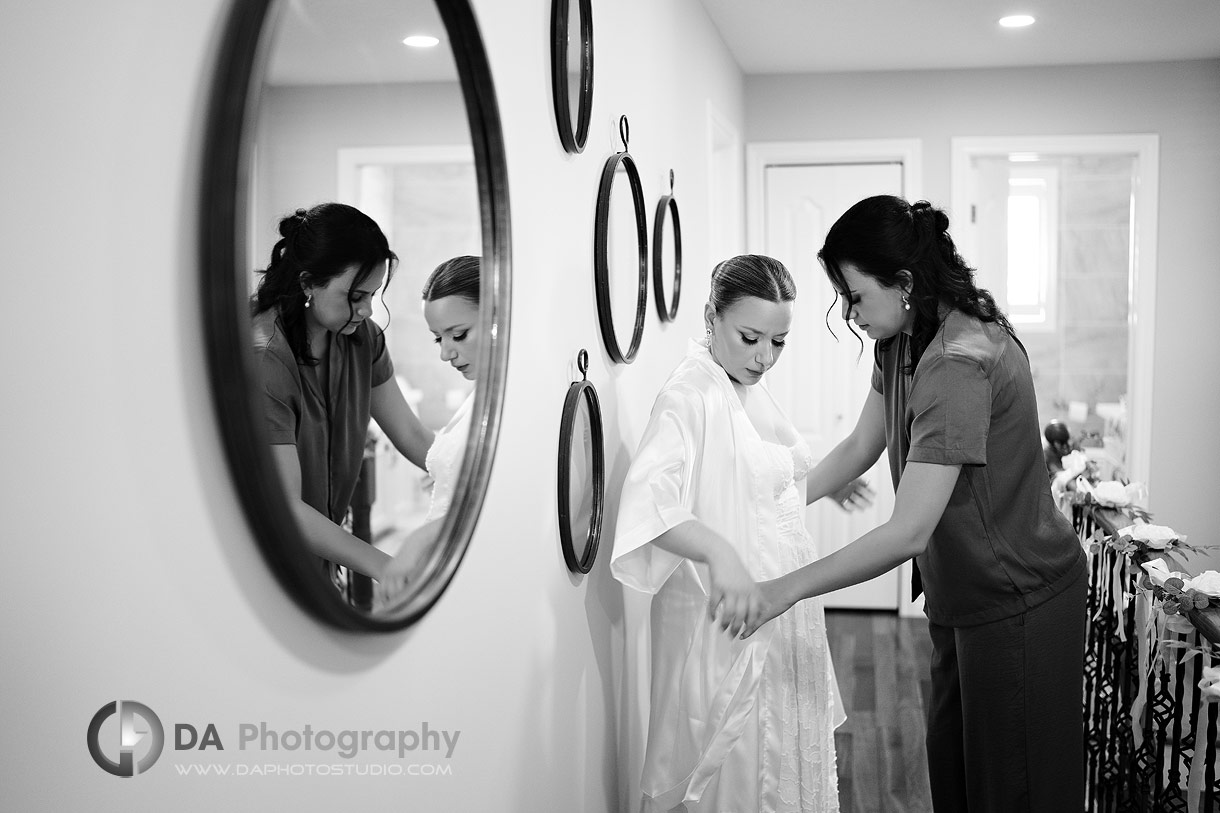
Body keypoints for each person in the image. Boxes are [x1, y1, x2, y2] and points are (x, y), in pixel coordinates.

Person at [729, 197, 1087, 811]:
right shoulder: (903, 339)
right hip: (961, 596)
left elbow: (907, 532)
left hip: (1018, 599)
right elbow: (861, 446)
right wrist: (773, 507)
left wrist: (780, 590)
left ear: (904, 284)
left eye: (856, 297)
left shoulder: (957, 362)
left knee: (1013, 791)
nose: (849, 312)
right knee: (956, 777)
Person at [611, 255, 845, 813]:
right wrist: (720, 553)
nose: (764, 358)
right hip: (727, 618)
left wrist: (804, 486)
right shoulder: (687, 395)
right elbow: (650, 504)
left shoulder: (738, 382)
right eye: (750, 337)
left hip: (781, 607)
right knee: (739, 768)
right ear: (711, 317)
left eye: (779, 342)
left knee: (783, 753)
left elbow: (749, 478)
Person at [251, 202, 434, 583]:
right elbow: (286, 508)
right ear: (307, 283)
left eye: (372, 294)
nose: (367, 310)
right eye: (354, 297)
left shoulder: (361, 339)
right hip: (265, 565)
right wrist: (388, 567)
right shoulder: (266, 359)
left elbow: (411, 434)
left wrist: (468, 477)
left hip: (321, 556)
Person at [380, 255, 481, 585]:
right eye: (439, 338)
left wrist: (419, 540)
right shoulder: (484, 394)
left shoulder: (526, 395)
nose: (445, 353)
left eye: (459, 334)